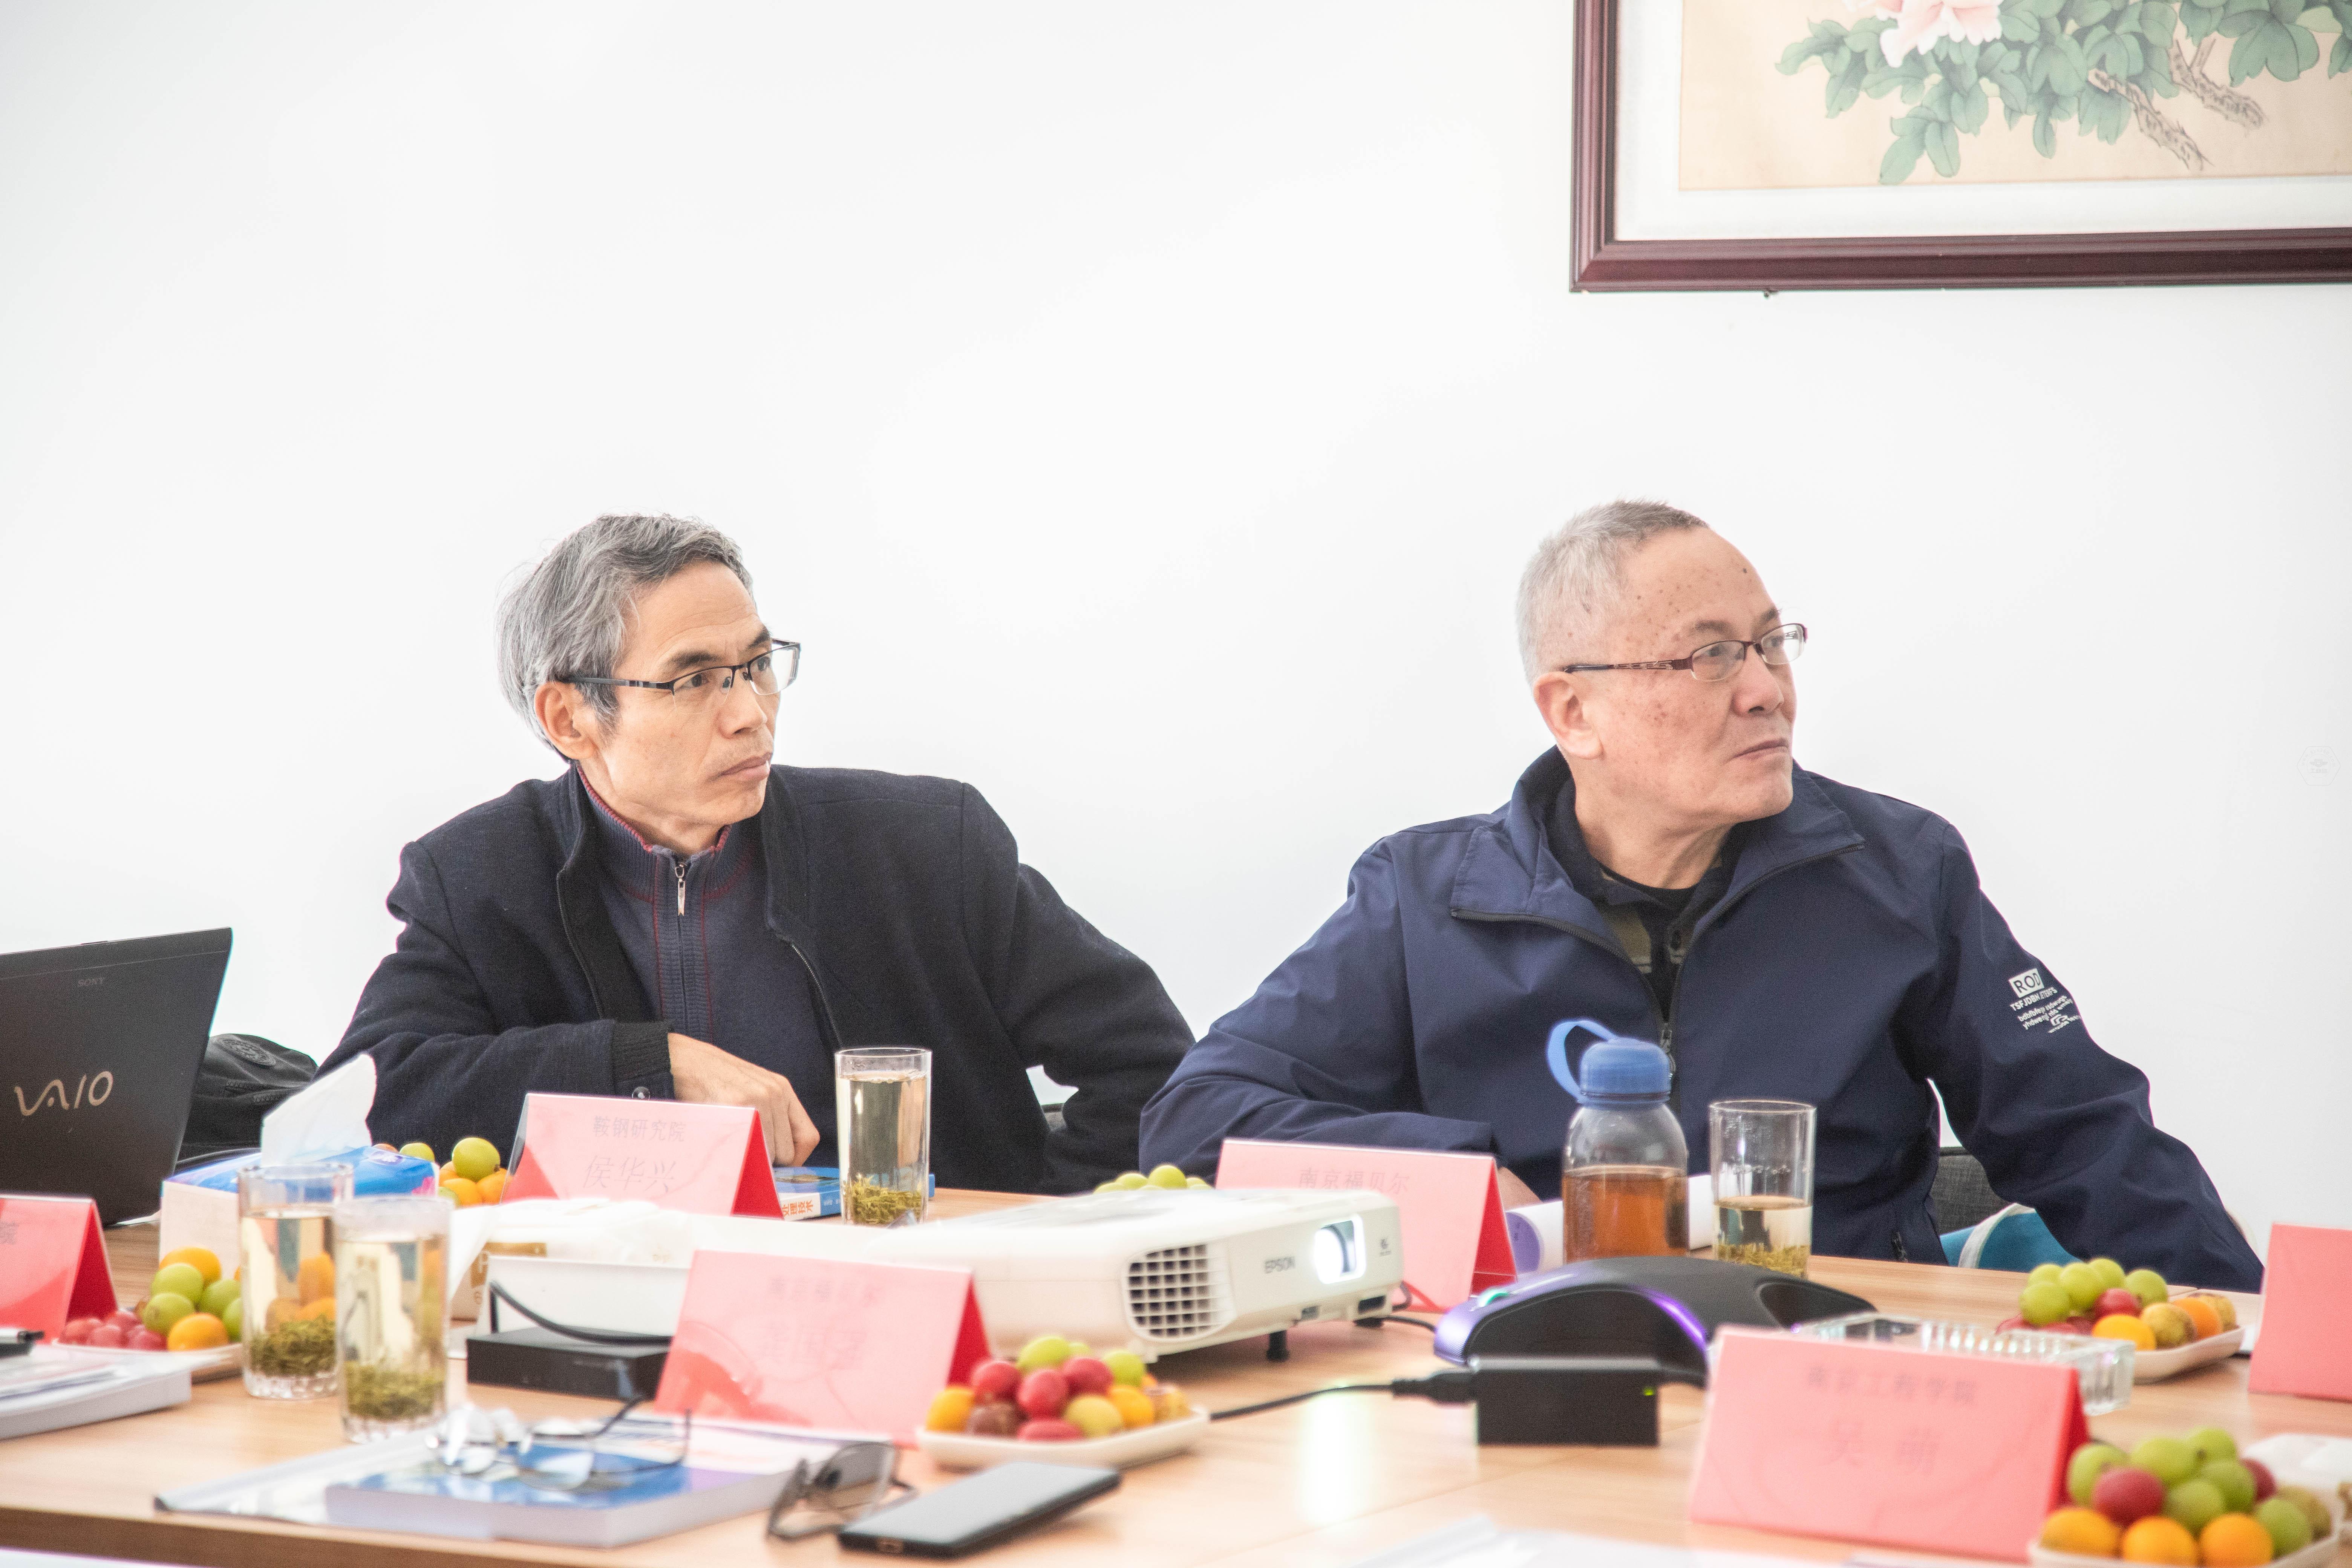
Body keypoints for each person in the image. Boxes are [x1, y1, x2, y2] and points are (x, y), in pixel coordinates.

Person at [1140, 501, 2262, 1288]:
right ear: (1574, 712)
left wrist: (2263, 1347)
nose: (1768, 690)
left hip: (1834, 1355)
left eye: (1773, 644)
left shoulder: (1899, 871)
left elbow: (2083, 1133)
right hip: (1527, 1353)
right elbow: (1197, 1118)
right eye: (1711, 656)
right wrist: (1474, 1176)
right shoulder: (1423, 898)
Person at [326, 514, 1189, 1193]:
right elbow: (368, 1101)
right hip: (624, 1316)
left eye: (758, 664)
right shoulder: (481, 877)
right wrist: (650, 1066)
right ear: (570, 718)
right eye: (694, 679)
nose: (751, 713)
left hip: (916, 1306)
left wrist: (1028, 1232)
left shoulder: (925, 847)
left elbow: (1154, 1070)